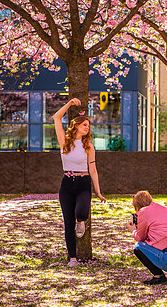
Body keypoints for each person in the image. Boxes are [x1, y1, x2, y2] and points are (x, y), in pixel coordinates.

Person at [53, 98, 106, 267]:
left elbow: (94, 170)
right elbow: (56, 118)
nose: (87, 127)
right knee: (68, 222)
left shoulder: (89, 146)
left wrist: (98, 191)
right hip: (67, 184)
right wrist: (69, 104)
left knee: (81, 211)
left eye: (88, 125)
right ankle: (72, 258)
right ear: (75, 125)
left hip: (83, 183)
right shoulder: (64, 142)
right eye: (84, 124)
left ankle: (81, 221)